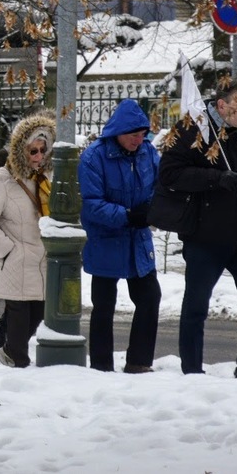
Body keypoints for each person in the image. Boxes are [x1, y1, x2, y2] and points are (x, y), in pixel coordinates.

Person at [159, 73, 237, 382]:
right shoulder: (192, 130)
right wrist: (216, 179)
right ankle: (192, 371)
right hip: (205, 236)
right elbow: (169, 175)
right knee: (196, 306)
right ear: (221, 104)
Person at [79, 99, 161, 373]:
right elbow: (92, 205)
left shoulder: (148, 152)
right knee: (104, 306)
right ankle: (101, 365)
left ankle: (139, 362)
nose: (139, 140)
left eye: (143, 134)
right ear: (119, 133)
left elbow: (160, 187)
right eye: (134, 135)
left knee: (150, 298)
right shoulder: (94, 157)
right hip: (106, 240)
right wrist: (127, 215)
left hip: (138, 241)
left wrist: (153, 210)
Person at [0, 112, 56, 367]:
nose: (39, 156)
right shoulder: (2, 179)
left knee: (38, 311)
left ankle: (4, 342)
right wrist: (8, 250)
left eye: (43, 150)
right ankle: (15, 362)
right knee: (20, 315)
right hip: (16, 259)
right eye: (33, 151)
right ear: (21, 150)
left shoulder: (45, 178)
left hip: (40, 259)